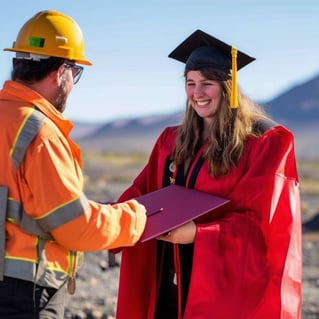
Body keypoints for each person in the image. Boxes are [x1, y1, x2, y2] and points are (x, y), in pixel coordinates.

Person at [114, 30, 302, 319]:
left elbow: (263, 226)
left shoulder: (265, 142)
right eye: (190, 83)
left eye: (207, 83)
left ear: (228, 87)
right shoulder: (171, 141)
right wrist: (105, 219)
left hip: (222, 288)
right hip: (167, 277)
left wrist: (199, 235)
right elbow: (142, 191)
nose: (197, 93)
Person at [0, 10, 146, 318]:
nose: (73, 83)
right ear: (61, 72)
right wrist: (135, 218)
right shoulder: (39, 132)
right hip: (25, 296)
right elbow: (75, 227)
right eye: (75, 73)